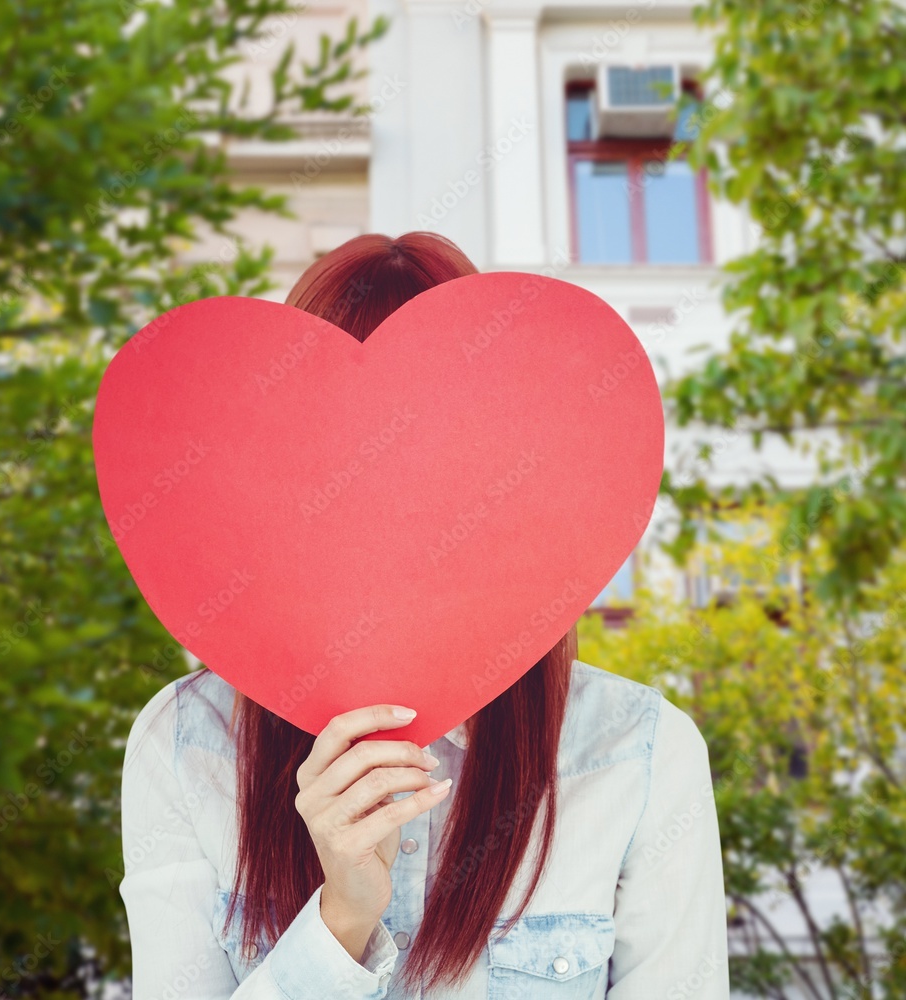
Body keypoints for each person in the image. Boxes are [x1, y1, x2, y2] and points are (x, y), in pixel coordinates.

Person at [117, 231, 730, 999]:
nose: (385, 519)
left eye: (435, 466)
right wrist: (341, 919)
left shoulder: (638, 756)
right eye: (335, 468)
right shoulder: (186, 746)